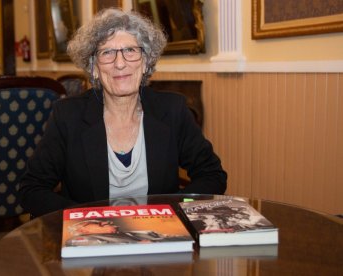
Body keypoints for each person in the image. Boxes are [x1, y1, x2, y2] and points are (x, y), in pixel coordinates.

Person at [19, 8, 227, 217]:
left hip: (159, 236)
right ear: (94, 68)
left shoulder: (172, 110)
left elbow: (212, 175)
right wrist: (85, 218)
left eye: (131, 50)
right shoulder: (67, 116)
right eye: (107, 53)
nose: (120, 63)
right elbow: (32, 190)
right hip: (91, 240)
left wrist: (173, 210)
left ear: (145, 62)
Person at [66, 219, 190, 246]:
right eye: (99, 224)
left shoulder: (144, 232)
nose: (106, 222)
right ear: (83, 230)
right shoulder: (79, 242)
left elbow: (181, 238)